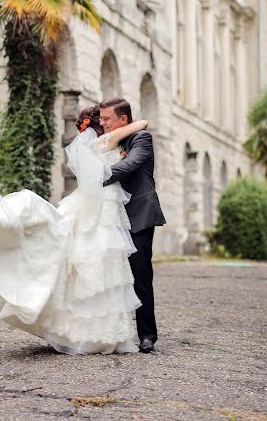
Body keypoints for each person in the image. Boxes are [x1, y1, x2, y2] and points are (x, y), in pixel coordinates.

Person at [0, 106, 149, 355]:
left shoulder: (94, 144)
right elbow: (141, 123)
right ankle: (100, 332)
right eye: (102, 119)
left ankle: (87, 330)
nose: (107, 122)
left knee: (93, 262)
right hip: (103, 205)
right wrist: (128, 124)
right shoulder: (106, 140)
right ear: (97, 127)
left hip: (97, 202)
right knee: (104, 264)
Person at [99, 97, 166, 354]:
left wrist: (100, 176)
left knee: (140, 276)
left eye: (107, 119)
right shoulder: (104, 138)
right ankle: (110, 332)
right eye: (101, 118)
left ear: (123, 120)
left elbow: (130, 164)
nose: (102, 123)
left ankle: (147, 335)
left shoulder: (141, 139)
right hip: (109, 216)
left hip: (138, 214)